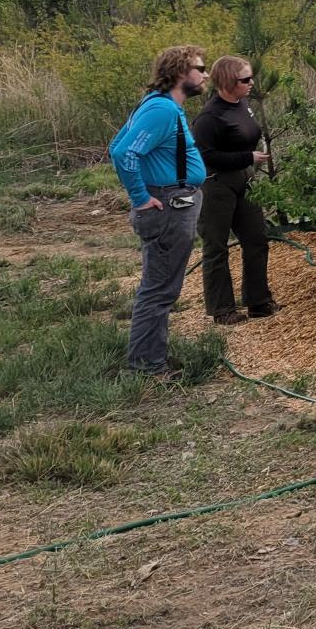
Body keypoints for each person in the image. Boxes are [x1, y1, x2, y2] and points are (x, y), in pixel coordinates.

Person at [108, 45, 210, 379]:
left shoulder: (162, 107)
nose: (205, 74)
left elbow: (115, 145)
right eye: (200, 68)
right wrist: (139, 198)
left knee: (161, 286)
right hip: (167, 207)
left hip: (174, 202)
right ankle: (147, 368)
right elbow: (124, 153)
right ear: (181, 73)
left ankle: (150, 358)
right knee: (159, 288)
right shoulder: (162, 110)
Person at [191, 55, 277, 326]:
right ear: (229, 82)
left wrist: (248, 161)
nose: (251, 83)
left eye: (251, 77)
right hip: (216, 184)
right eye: (245, 79)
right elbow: (206, 156)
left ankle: (258, 301)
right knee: (216, 246)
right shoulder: (209, 117)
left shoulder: (242, 104)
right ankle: (222, 309)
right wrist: (247, 158)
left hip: (244, 180)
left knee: (256, 238)